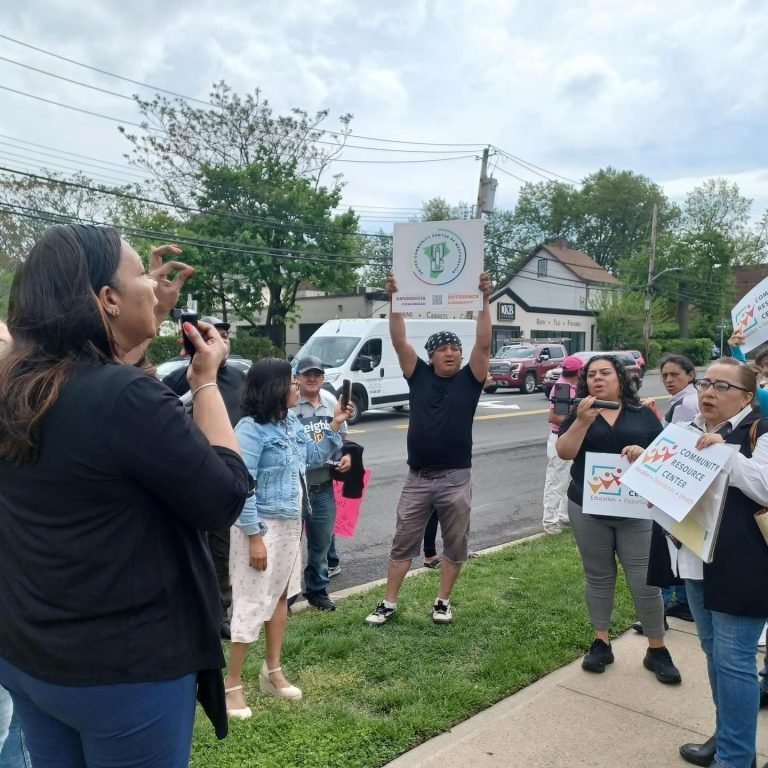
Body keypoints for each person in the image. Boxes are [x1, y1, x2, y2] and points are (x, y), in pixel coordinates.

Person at [0, 224, 252, 767]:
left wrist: (145, 317)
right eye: (140, 275)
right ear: (106, 299)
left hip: (31, 655)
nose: (153, 288)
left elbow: (106, 400)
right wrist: (205, 381)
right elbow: (224, 496)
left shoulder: (15, 387)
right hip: (124, 671)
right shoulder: (123, 396)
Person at [651, 359, 768, 768]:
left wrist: (725, 454)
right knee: (714, 652)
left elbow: (764, 485)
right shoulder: (690, 431)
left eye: (721, 385)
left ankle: (736, 758)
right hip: (696, 560)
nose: (708, 392)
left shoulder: (760, 430)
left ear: (746, 397)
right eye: (705, 383)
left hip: (743, 563)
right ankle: (729, 739)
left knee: (735, 661)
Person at [224, 358, 351, 718]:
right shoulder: (250, 429)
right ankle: (231, 683)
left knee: (281, 597)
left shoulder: (289, 422)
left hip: (291, 523)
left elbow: (310, 456)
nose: (298, 387)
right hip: (260, 526)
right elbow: (241, 485)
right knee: (251, 601)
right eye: (292, 382)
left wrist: (336, 426)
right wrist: (253, 536)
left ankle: (272, 672)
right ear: (274, 387)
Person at [365, 272, 491, 626]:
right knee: (402, 541)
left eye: (455, 349)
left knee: (455, 543)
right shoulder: (417, 375)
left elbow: (483, 343)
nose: (451, 353)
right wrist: (394, 300)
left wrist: (484, 300)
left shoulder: (471, 379)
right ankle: (388, 603)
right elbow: (398, 338)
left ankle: (442, 601)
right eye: (443, 349)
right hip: (417, 479)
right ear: (431, 355)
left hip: (455, 479)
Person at [556, 355, 681, 683]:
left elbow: (663, 454)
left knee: (643, 579)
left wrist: (644, 454)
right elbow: (565, 452)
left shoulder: (642, 413)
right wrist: (582, 421)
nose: (598, 378)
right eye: (592, 374)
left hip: (635, 509)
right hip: (588, 507)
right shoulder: (580, 412)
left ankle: (657, 648)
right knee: (598, 576)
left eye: (605, 373)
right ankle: (601, 642)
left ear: (620, 378)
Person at [163, 315, 247, 639]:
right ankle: (207, 610)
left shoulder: (241, 378)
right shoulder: (181, 378)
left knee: (231, 548)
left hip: (233, 473)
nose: (220, 342)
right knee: (202, 549)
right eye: (214, 335)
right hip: (193, 475)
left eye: (224, 335)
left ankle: (230, 607)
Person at [291, 355, 351, 611]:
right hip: (294, 489)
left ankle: (317, 590)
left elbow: (344, 438)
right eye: (306, 374)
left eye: (317, 374)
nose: (312, 378)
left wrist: (347, 456)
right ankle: (287, 597)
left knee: (320, 544)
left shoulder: (330, 403)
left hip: (323, 487)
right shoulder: (290, 406)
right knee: (290, 546)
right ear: (297, 378)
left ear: (323, 378)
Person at [542, 354, 584, 534]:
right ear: (579, 371)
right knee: (556, 482)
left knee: (568, 479)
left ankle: (564, 517)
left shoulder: (571, 387)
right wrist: (579, 422)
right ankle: (550, 522)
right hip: (560, 438)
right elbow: (553, 417)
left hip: (569, 438)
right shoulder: (562, 389)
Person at [728, 330, 768, 416]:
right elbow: (741, 369)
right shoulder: (760, 394)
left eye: (755, 374)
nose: (765, 371)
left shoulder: (763, 396)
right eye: (762, 366)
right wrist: (735, 348)